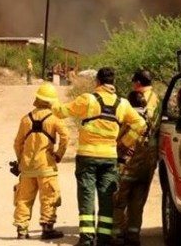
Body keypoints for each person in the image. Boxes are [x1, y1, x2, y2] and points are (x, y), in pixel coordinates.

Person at [51, 67, 147, 246]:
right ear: (113, 83)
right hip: (109, 157)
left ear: (97, 82)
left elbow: (61, 112)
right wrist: (125, 143)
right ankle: (104, 238)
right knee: (106, 197)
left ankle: (87, 239)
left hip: (87, 156)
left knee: (87, 196)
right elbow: (141, 124)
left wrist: (52, 102)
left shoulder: (87, 100)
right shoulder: (123, 104)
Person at [12, 83, 70, 240]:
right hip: (46, 167)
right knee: (49, 197)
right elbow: (66, 137)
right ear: (51, 101)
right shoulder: (54, 119)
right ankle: (47, 228)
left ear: (37, 99)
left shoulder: (26, 119)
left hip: (27, 167)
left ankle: (22, 230)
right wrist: (58, 154)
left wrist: (20, 160)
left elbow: (18, 143)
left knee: (24, 198)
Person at [113, 70, 162, 246]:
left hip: (129, 158)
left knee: (119, 198)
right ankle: (134, 234)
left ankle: (118, 234)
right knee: (138, 198)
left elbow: (122, 133)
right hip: (149, 158)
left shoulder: (131, 105)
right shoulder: (157, 101)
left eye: (134, 83)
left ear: (138, 84)